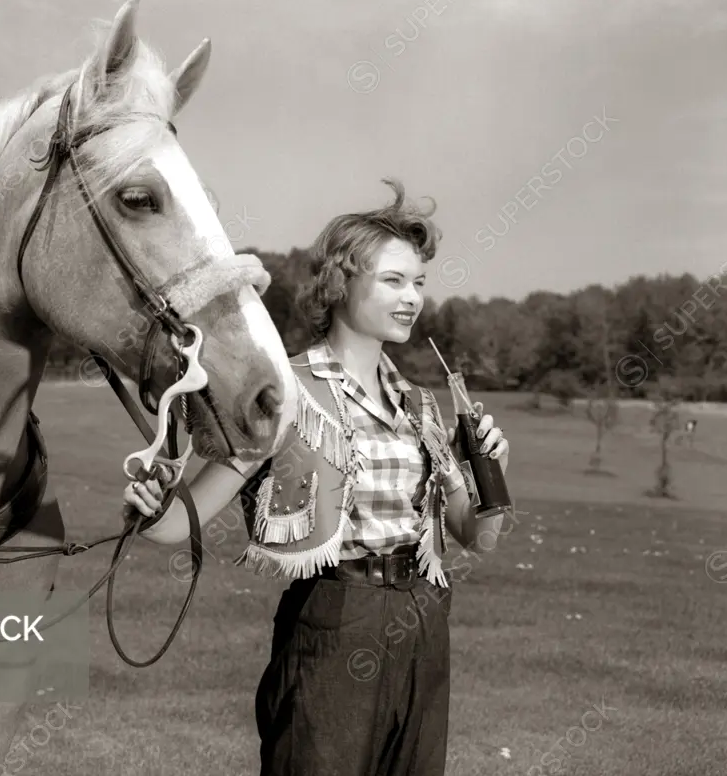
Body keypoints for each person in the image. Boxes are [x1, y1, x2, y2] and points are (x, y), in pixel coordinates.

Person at [121, 179, 510, 776]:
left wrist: (493, 479)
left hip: (426, 623)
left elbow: (476, 537)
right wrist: (151, 506)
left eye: (419, 283)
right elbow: (181, 521)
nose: (412, 298)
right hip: (336, 620)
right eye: (393, 280)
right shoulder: (285, 393)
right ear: (340, 282)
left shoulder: (422, 407)